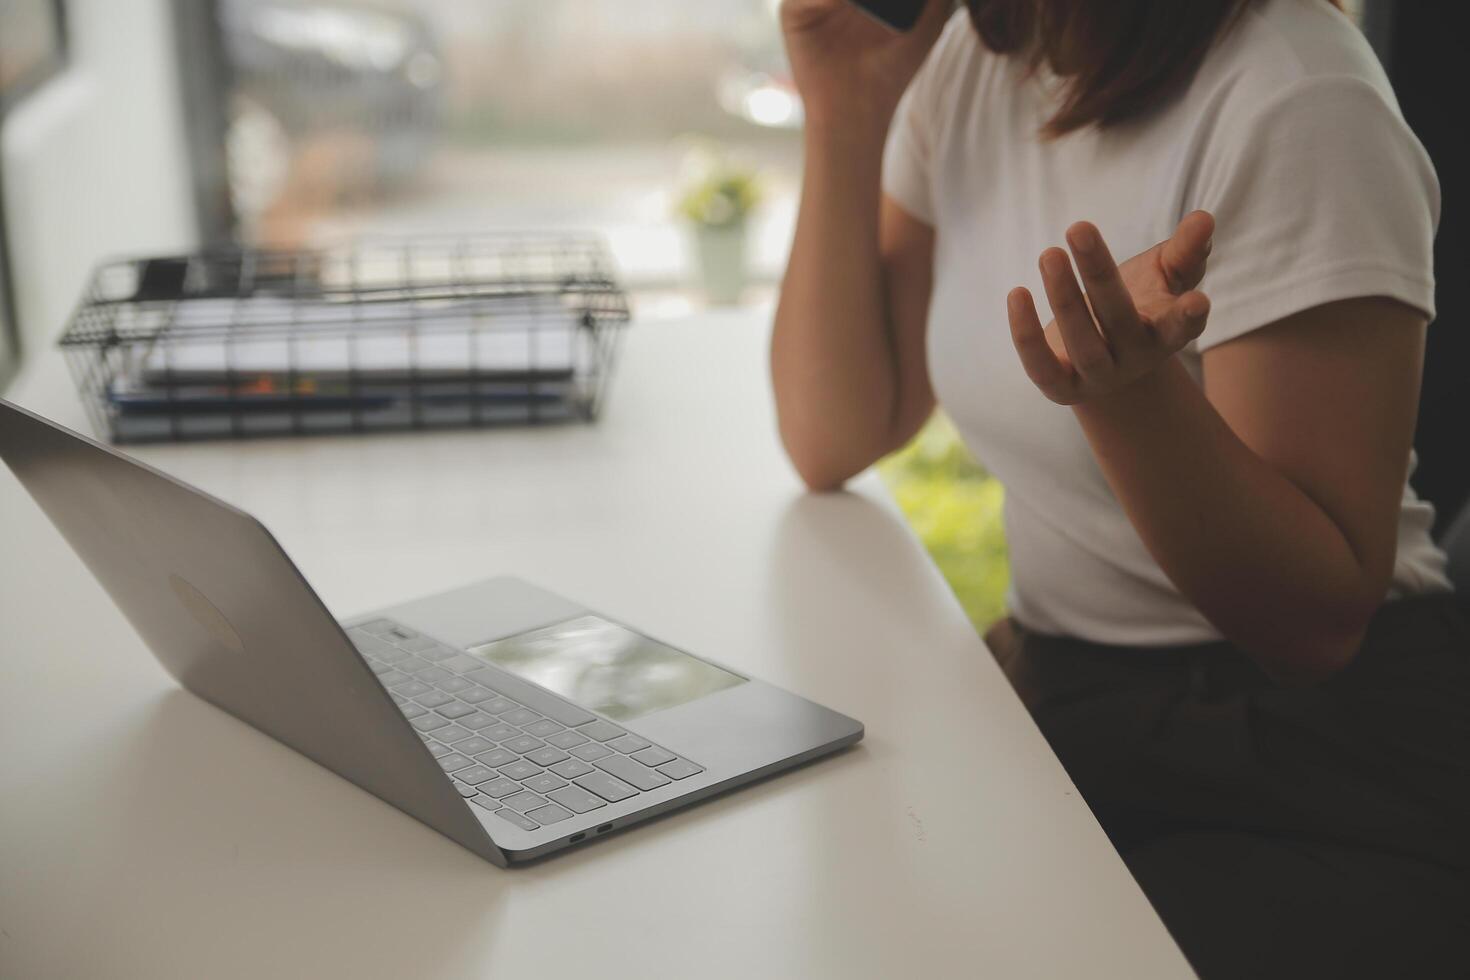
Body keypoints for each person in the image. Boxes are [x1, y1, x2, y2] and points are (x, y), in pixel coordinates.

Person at [772, 0, 1470, 975]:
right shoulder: (978, 65)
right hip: (1074, 697)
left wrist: (1132, 398)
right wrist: (843, 106)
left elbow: (1312, 625)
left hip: (1305, 764)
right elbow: (834, 431)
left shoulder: (1298, 97)